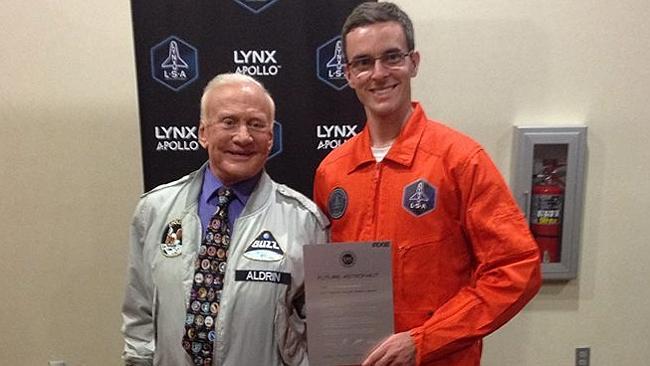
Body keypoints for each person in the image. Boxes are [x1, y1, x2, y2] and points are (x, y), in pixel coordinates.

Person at [313, 2, 542, 366]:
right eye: (363, 62)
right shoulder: (332, 171)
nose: (378, 73)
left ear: (414, 63)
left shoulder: (460, 160)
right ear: (348, 73)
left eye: (392, 57)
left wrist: (424, 341)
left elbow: (517, 268)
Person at [121, 73, 328, 366]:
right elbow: (139, 314)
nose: (243, 136)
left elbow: (321, 330)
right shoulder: (155, 210)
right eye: (229, 122)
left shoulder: (304, 221)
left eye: (256, 124)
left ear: (270, 138)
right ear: (203, 132)